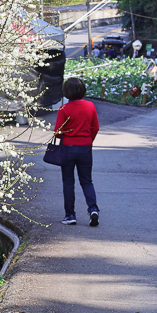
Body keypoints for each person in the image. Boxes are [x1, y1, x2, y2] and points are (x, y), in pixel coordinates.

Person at [54, 78, 100, 226]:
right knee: (87, 181)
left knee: (68, 182)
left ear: (66, 92)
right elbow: (95, 128)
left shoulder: (64, 109)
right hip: (85, 148)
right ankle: (93, 209)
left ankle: (70, 215)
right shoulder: (90, 106)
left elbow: (58, 132)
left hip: (68, 148)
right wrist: (88, 140)